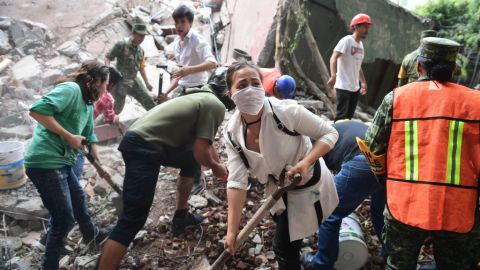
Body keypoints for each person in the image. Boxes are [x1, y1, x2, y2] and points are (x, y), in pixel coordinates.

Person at [361, 37, 480, 270]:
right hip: (459, 208)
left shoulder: (396, 98)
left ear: (418, 66)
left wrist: (388, 181)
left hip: (404, 204)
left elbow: (373, 148)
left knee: (398, 266)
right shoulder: (476, 103)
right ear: (454, 69)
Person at [96, 73, 233, 270]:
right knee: (133, 220)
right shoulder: (215, 105)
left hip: (143, 141)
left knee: (189, 158)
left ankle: (180, 217)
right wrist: (218, 168)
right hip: (143, 147)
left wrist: (220, 167)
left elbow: (204, 145)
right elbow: (202, 151)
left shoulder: (197, 97)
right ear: (227, 93)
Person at [223, 61, 340, 270]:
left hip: (308, 183)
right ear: (229, 92)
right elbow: (236, 183)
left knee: (283, 248)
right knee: (288, 231)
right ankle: (298, 248)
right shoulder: (232, 134)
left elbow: (330, 133)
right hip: (278, 189)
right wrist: (232, 230)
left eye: (255, 83)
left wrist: (305, 163)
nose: (250, 89)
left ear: (263, 86)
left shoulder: (286, 112)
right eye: (241, 85)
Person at [24, 60, 110, 269]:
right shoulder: (71, 89)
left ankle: (91, 234)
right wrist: (68, 136)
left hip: (61, 162)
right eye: (106, 84)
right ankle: (50, 265)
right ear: (97, 81)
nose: (106, 90)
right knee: (64, 220)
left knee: (78, 196)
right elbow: (37, 110)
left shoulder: (88, 103)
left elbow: (89, 135)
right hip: (46, 161)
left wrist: (100, 165)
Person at [300, 120, 387, 269]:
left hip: (364, 160)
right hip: (387, 161)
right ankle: (388, 253)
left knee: (329, 212)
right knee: (378, 211)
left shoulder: (310, 145)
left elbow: (316, 182)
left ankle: (321, 264)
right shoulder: (337, 128)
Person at [162, 5, 217, 98]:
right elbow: (180, 73)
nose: (179, 25)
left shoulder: (196, 39)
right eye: (176, 22)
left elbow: (212, 63)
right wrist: (166, 92)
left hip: (198, 88)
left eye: (183, 22)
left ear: (190, 23)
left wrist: (190, 70)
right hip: (183, 88)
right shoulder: (176, 43)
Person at [328, 13, 372, 121]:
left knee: (348, 118)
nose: (367, 30)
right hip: (343, 86)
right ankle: (337, 137)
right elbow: (333, 58)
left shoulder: (361, 45)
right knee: (340, 118)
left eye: (368, 27)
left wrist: (363, 82)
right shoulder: (347, 41)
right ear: (356, 27)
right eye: (365, 27)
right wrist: (333, 76)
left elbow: (358, 65)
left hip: (354, 88)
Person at [105, 22, 155, 114]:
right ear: (133, 33)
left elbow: (141, 67)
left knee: (149, 101)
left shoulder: (140, 51)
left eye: (143, 36)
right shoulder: (122, 45)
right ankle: (99, 126)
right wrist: (108, 72)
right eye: (140, 35)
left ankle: (157, 121)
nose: (142, 38)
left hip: (134, 80)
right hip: (121, 82)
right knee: (116, 110)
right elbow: (108, 57)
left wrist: (147, 83)